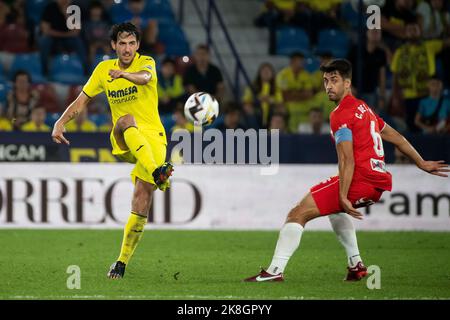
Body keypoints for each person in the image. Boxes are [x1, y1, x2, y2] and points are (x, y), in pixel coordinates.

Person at [245, 59, 449, 283]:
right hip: (377, 182)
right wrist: (420, 162)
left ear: (347, 83)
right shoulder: (364, 108)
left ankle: (274, 271)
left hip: (360, 179)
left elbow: (346, 158)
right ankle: (356, 265)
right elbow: (396, 137)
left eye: (334, 80)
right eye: (325, 81)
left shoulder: (340, 114)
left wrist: (343, 195)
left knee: (297, 213)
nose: (328, 86)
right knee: (335, 210)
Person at [51, 22, 173, 279]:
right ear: (113, 45)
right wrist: (61, 122)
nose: (127, 49)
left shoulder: (146, 62)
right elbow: (81, 100)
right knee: (126, 119)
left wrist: (125, 75)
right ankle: (158, 173)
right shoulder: (103, 69)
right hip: (125, 138)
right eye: (122, 43)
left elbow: (146, 78)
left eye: (131, 43)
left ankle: (121, 262)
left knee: (141, 199)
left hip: (154, 141)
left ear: (138, 45)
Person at [39, 0, 89, 76]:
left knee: (78, 42)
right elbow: (46, 30)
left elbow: (76, 31)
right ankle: (45, 70)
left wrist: (66, 14)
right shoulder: (49, 8)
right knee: (44, 41)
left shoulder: (75, 8)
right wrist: (65, 34)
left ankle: (86, 71)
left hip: (69, 39)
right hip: (53, 38)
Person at [276, 52, 315, 133]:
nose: (303, 63)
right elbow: (285, 95)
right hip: (285, 104)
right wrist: (301, 93)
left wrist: (292, 93)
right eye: (300, 61)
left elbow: (309, 94)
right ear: (292, 61)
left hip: (303, 105)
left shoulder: (306, 75)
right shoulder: (283, 74)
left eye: (302, 61)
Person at [242, 62, 284, 129]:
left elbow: (280, 104)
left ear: (272, 74)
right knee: (249, 110)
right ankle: (256, 134)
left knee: (278, 113)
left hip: (271, 114)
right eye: (264, 71)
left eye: (268, 71)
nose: (266, 73)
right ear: (259, 73)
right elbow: (246, 102)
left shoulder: (276, 88)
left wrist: (271, 101)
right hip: (256, 114)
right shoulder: (252, 87)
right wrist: (258, 100)